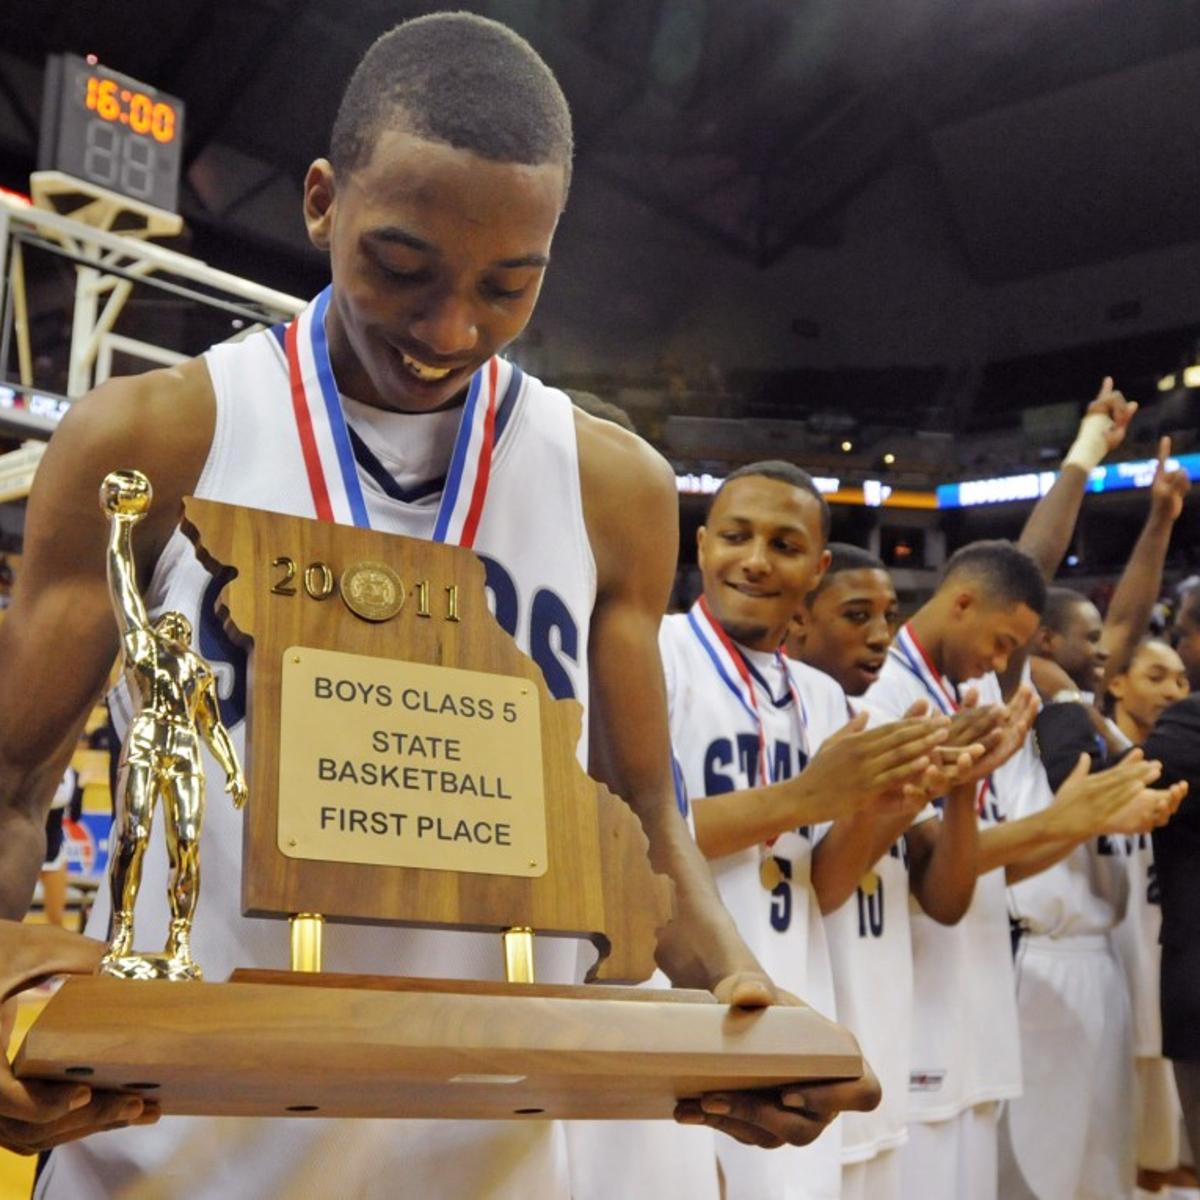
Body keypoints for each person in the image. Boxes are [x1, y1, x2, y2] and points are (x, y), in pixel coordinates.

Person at [0, 15, 875, 1196]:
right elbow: (13, 785)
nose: (448, 330)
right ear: (321, 202)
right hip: (172, 1135)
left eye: (506, 288)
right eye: (400, 268)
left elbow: (641, 819)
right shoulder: (155, 437)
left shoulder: (614, 488)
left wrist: (735, 992)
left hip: (486, 1147)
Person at [658, 466, 976, 1199]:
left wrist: (892, 805)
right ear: (702, 547)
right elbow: (630, 833)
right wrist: (805, 795)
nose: (756, 559)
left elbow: (821, 886)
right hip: (675, 999)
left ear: (818, 566)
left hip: (793, 1003)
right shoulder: (656, 652)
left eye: (784, 543)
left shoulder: (824, 697)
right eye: (736, 536)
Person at [795, 544, 994, 1200]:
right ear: (799, 618)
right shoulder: (798, 721)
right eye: (857, 615)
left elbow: (944, 896)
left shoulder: (888, 726)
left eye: (888, 615)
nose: (881, 636)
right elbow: (822, 887)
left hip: (884, 1030)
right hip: (807, 1031)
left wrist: (962, 788)